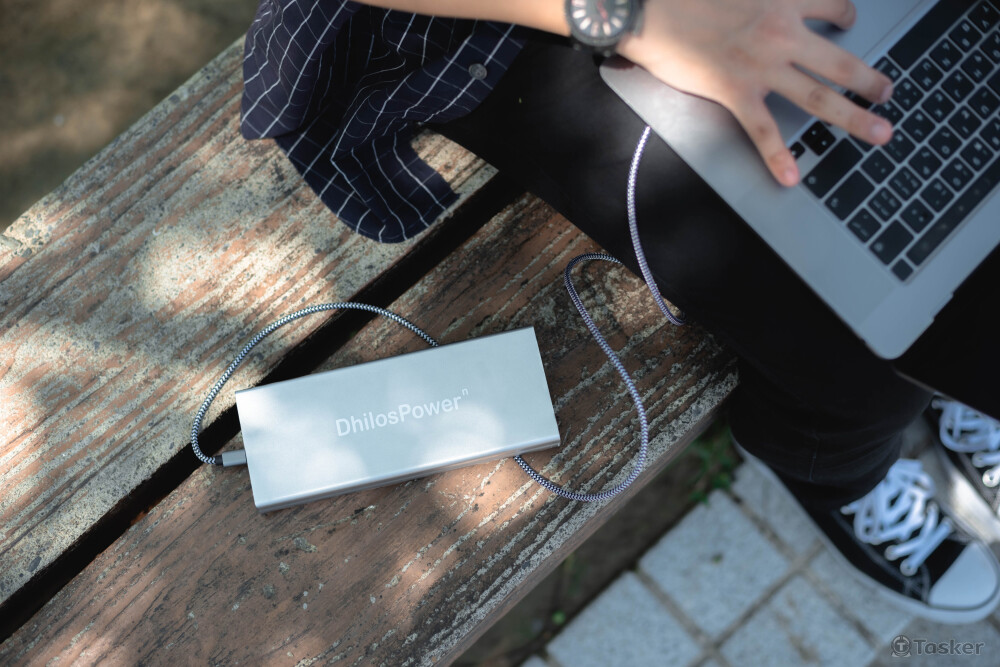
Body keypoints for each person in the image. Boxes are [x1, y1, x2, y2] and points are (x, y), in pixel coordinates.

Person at [240, 0, 1000, 622]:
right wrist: (632, 16)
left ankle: (953, 379)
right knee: (861, 357)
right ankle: (839, 471)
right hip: (514, 24)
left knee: (950, 222)